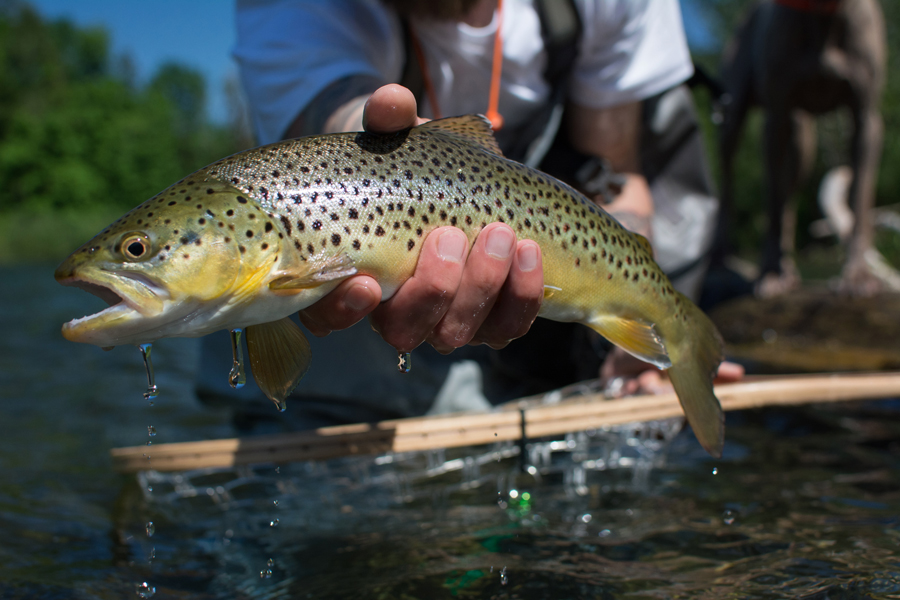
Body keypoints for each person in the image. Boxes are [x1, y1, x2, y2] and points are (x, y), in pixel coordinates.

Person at [197, 0, 742, 431]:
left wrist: (638, 334)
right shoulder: (293, 9)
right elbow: (329, 126)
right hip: (368, 255)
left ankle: (662, 340)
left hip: (552, 235)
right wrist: (396, 159)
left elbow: (617, 178)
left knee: (667, 107)